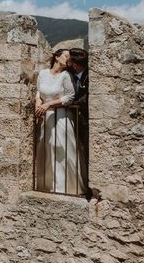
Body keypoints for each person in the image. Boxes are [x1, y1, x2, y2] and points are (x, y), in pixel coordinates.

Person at [34, 49, 84, 194]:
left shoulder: (66, 75)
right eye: (66, 56)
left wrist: (49, 104)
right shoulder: (42, 73)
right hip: (46, 118)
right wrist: (38, 103)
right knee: (47, 149)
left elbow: (70, 97)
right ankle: (47, 185)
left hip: (61, 117)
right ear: (57, 57)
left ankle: (64, 188)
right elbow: (38, 92)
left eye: (70, 58)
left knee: (61, 150)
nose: (69, 59)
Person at [68, 48, 89, 197]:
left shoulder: (88, 76)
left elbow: (86, 98)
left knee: (87, 151)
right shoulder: (71, 75)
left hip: (85, 121)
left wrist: (70, 103)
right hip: (74, 120)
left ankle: (88, 186)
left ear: (75, 64)